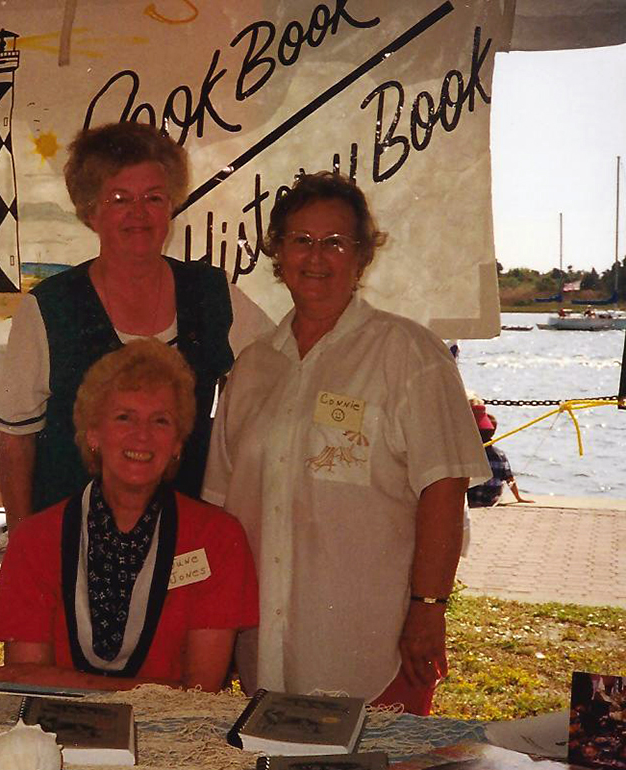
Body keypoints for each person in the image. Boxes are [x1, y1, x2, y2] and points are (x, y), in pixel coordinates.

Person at [201, 171, 491, 714]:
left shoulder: (409, 354)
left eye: (335, 242)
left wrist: (429, 607)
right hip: (261, 648)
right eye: (301, 241)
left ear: (361, 257)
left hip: (375, 648)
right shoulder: (252, 367)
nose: (316, 257)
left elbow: (444, 489)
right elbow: (220, 509)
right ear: (278, 254)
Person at [0, 121, 234, 534]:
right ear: (90, 210)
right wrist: (25, 550)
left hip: (181, 539)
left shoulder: (212, 293)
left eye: (153, 197)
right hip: (71, 541)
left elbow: (267, 385)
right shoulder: (46, 309)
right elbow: (14, 439)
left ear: (171, 204)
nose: (139, 213)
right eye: (120, 198)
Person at [0, 340, 258, 692]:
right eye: (124, 417)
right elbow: (29, 690)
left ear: (177, 444)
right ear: (93, 433)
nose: (142, 435)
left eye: (160, 421)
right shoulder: (35, 540)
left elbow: (200, 691)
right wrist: (150, 690)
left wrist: (67, 682)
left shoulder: (218, 540)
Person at [466, 406, 533, 507]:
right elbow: (510, 479)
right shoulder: (499, 455)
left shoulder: (468, 453)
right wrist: (518, 498)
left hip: (470, 497)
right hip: (490, 499)